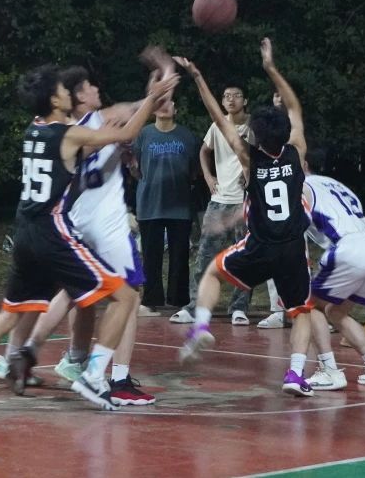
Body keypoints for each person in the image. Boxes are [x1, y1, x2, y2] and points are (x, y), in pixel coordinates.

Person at [0, 62, 178, 410]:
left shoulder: (33, 130)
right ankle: (94, 377)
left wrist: (134, 112)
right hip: (52, 233)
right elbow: (126, 133)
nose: (68, 93)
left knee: (9, 315)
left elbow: (94, 140)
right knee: (125, 297)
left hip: (23, 234)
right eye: (63, 90)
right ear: (54, 99)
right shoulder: (69, 134)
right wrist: (152, 99)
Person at [175, 39, 317, 397]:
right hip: (292, 248)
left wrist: (197, 77)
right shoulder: (297, 151)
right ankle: (295, 374)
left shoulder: (249, 159)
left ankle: (200, 327)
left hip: (260, 245)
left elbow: (217, 118)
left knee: (211, 272)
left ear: (256, 135)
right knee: (301, 311)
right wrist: (271, 68)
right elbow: (295, 106)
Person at [19, 66, 158, 407]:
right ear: (79, 94)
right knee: (129, 295)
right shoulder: (99, 122)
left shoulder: (63, 128)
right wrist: (157, 90)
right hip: (104, 222)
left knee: (76, 291)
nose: (98, 89)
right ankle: (117, 378)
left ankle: (41, 352)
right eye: (91, 86)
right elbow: (134, 119)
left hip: (73, 220)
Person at [301, 165, 365, 389]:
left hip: (347, 248)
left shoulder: (300, 187)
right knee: (336, 311)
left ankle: (329, 371)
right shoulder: (331, 183)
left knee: (307, 306)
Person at [170, 85, 256, 327]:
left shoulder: (253, 125)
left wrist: (252, 174)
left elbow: (260, 154)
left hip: (244, 201)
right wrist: (208, 176)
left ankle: (239, 307)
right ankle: (195, 306)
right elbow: (204, 151)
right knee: (205, 256)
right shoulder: (217, 126)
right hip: (219, 200)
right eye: (226, 96)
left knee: (245, 257)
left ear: (245, 100)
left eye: (236, 95)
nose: (231, 99)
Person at [132, 100, 201, 315]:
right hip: (150, 203)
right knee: (150, 256)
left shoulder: (187, 136)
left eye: (169, 103)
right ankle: (151, 299)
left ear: (176, 109)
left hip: (180, 204)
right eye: (159, 103)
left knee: (180, 256)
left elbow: (194, 169)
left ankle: (178, 300)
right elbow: (134, 167)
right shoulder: (143, 134)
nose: (164, 107)